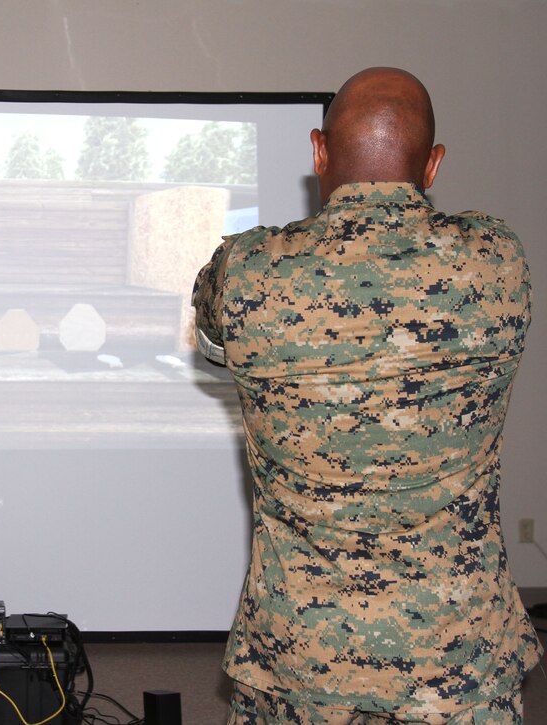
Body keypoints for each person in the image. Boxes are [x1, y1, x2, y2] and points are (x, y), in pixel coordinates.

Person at [193, 67, 540, 723]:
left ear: (319, 151)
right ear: (432, 164)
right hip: (458, 662)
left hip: (299, 665)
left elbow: (211, 338)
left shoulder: (248, 270)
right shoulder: (497, 262)